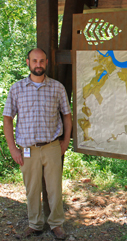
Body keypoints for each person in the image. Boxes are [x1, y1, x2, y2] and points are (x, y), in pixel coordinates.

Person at [3, 48, 72, 240]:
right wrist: (12, 148)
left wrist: (65, 142)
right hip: (27, 150)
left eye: (41, 61)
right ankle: (35, 224)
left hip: (52, 147)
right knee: (32, 189)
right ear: (28, 62)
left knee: (54, 189)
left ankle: (56, 224)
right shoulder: (17, 88)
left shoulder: (57, 88)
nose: (38, 64)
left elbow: (67, 116)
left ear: (47, 62)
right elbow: (7, 118)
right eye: (34, 61)